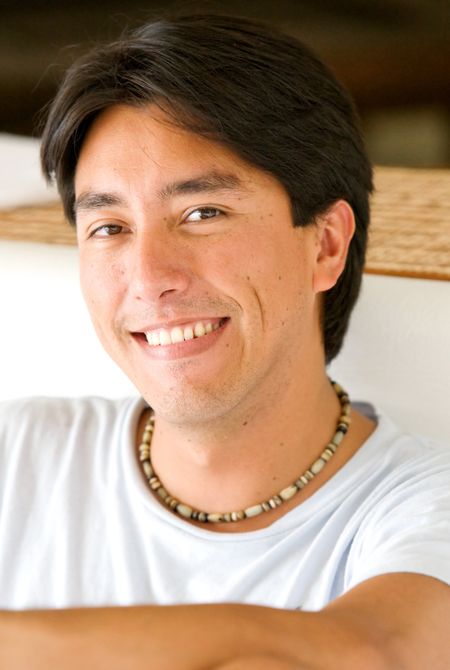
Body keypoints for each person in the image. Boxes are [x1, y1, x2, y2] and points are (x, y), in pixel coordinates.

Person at [0, 13, 449, 670]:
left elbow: (380, 651)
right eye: (109, 227)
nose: (150, 278)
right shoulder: (18, 456)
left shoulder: (423, 507)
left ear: (324, 245)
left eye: (202, 213)